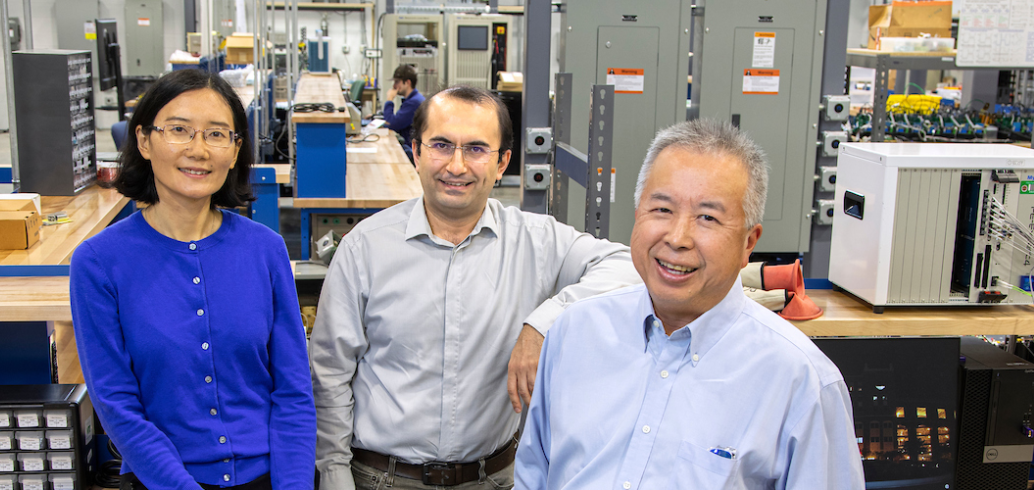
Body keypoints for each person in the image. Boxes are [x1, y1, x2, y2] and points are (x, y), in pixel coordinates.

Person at [310, 85, 641, 490]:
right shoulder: (365, 247)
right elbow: (329, 376)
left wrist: (543, 323)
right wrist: (333, 474)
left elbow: (628, 265)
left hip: (493, 478)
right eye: (442, 145)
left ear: (502, 163)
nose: (456, 165)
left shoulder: (536, 241)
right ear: (416, 152)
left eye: (477, 149)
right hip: (382, 478)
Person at [513, 119, 864, 490]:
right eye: (662, 209)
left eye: (707, 218)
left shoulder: (801, 382)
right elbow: (534, 474)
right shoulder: (574, 333)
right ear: (637, 215)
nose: (678, 238)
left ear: (749, 243)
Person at [70, 69, 315, 490]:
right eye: (179, 130)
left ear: (236, 150)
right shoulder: (99, 262)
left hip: (269, 478)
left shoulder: (266, 250)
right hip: (163, 480)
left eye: (217, 135)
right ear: (144, 141)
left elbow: (293, 391)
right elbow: (116, 404)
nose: (198, 150)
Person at [381, 64, 425, 162]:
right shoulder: (413, 99)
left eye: (397, 82)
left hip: (410, 151)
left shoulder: (414, 103)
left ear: (407, 82)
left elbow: (391, 124)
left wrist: (389, 100)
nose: (394, 86)